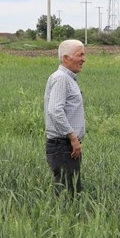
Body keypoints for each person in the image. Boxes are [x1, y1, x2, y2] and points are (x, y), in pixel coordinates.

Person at [44, 39, 87, 194]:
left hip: (66, 144)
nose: (84, 59)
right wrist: (73, 138)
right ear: (66, 58)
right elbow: (55, 110)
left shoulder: (68, 78)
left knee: (71, 191)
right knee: (68, 194)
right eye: (80, 55)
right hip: (63, 145)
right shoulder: (61, 78)